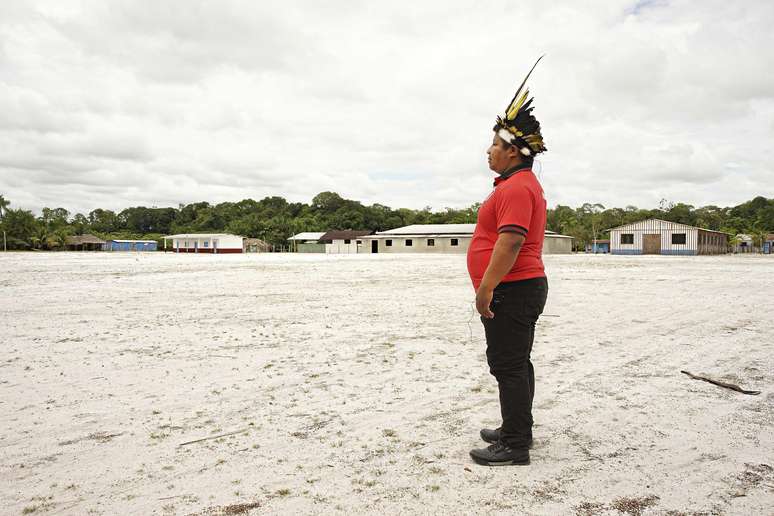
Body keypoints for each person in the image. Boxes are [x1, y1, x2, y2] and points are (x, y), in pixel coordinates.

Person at [467, 57, 549, 466]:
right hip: (517, 287)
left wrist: (486, 287)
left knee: (508, 365)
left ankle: (515, 445)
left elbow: (511, 242)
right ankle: (517, 429)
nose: (488, 150)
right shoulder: (517, 184)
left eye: (495, 145)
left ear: (513, 151)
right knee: (516, 363)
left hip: (513, 289)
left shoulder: (517, 187)